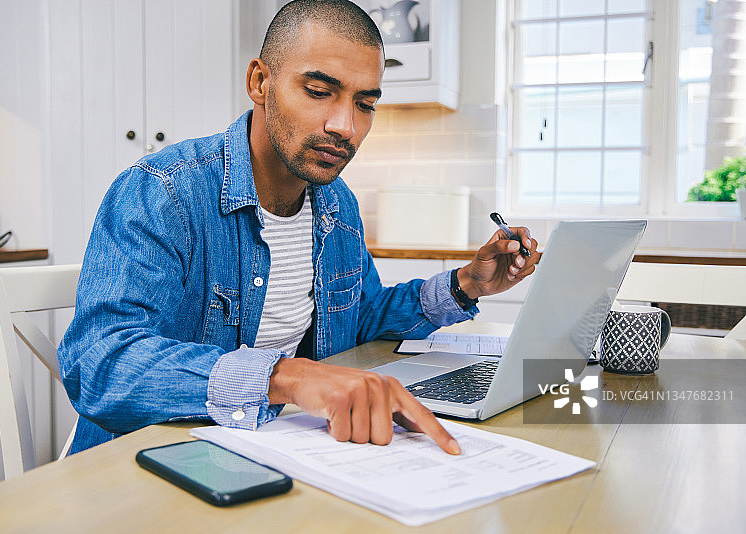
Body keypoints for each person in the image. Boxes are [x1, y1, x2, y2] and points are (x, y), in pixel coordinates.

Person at [58, 0, 540, 456]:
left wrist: (466, 284)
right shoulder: (162, 193)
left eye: (365, 104)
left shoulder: (337, 204)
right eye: (318, 91)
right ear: (259, 81)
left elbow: (362, 316)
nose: (345, 126)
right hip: (149, 464)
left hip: (273, 450)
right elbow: (99, 365)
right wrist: (287, 378)